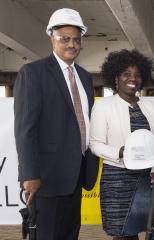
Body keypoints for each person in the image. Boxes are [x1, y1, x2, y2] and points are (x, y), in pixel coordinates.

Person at [13, 8, 99, 240]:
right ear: (52, 37)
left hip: (77, 176)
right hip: (46, 180)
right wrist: (30, 175)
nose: (71, 44)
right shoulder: (33, 73)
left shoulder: (84, 76)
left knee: (70, 234)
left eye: (76, 40)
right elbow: (25, 130)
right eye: (65, 39)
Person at [89, 49, 154, 240]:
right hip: (117, 178)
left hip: (145, 177)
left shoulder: (151, 107)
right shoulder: (103, 106)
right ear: (116, 77)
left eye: (138, 75)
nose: (133, 78)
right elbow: (95, 144)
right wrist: (121, 152)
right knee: (121, 233)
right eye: (127, 74)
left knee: (141, 229)